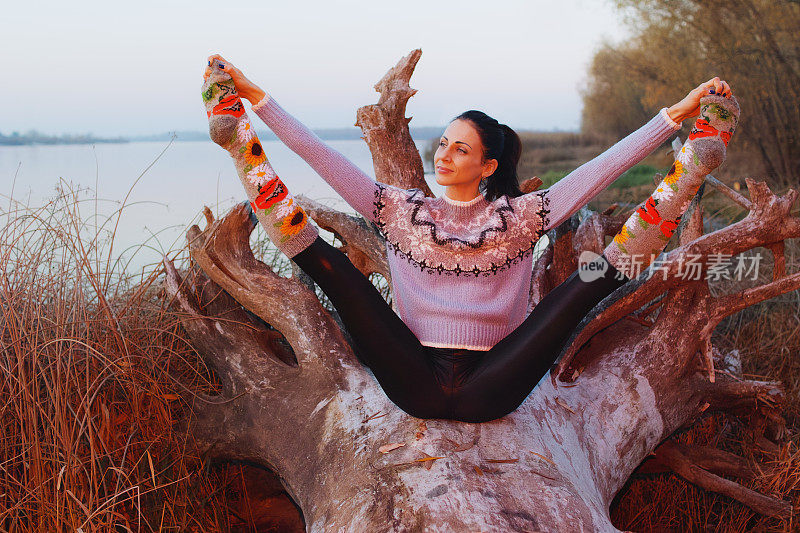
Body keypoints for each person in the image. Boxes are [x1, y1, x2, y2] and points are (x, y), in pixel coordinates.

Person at [201, 54, 739, 423]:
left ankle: (689, 167)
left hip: (494, 380)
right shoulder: (400, 210)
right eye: (444, 143)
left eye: (461, 148)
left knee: (588, 281)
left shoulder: (523, 216)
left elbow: (599, 171)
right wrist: (254, 98)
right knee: (328, 267)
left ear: (488, 165)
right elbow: (324, 158)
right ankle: (239, 143)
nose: (444, 154)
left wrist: (677, 115)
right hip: (412, 372)